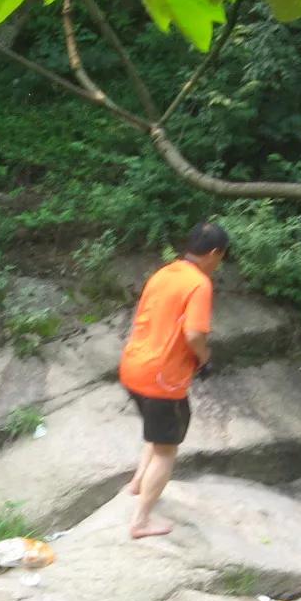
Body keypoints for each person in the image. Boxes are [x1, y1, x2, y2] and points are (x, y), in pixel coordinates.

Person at [118, 221, 228, 539]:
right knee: (167, 448)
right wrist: (205, 358)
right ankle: (140, 521)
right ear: (214, 253)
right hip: (162, 377)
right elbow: (194, 333)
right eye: (221, 257)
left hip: (133, 366)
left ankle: (138, 483)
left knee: (157, 432)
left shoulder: (164, 273)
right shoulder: (199, 284)